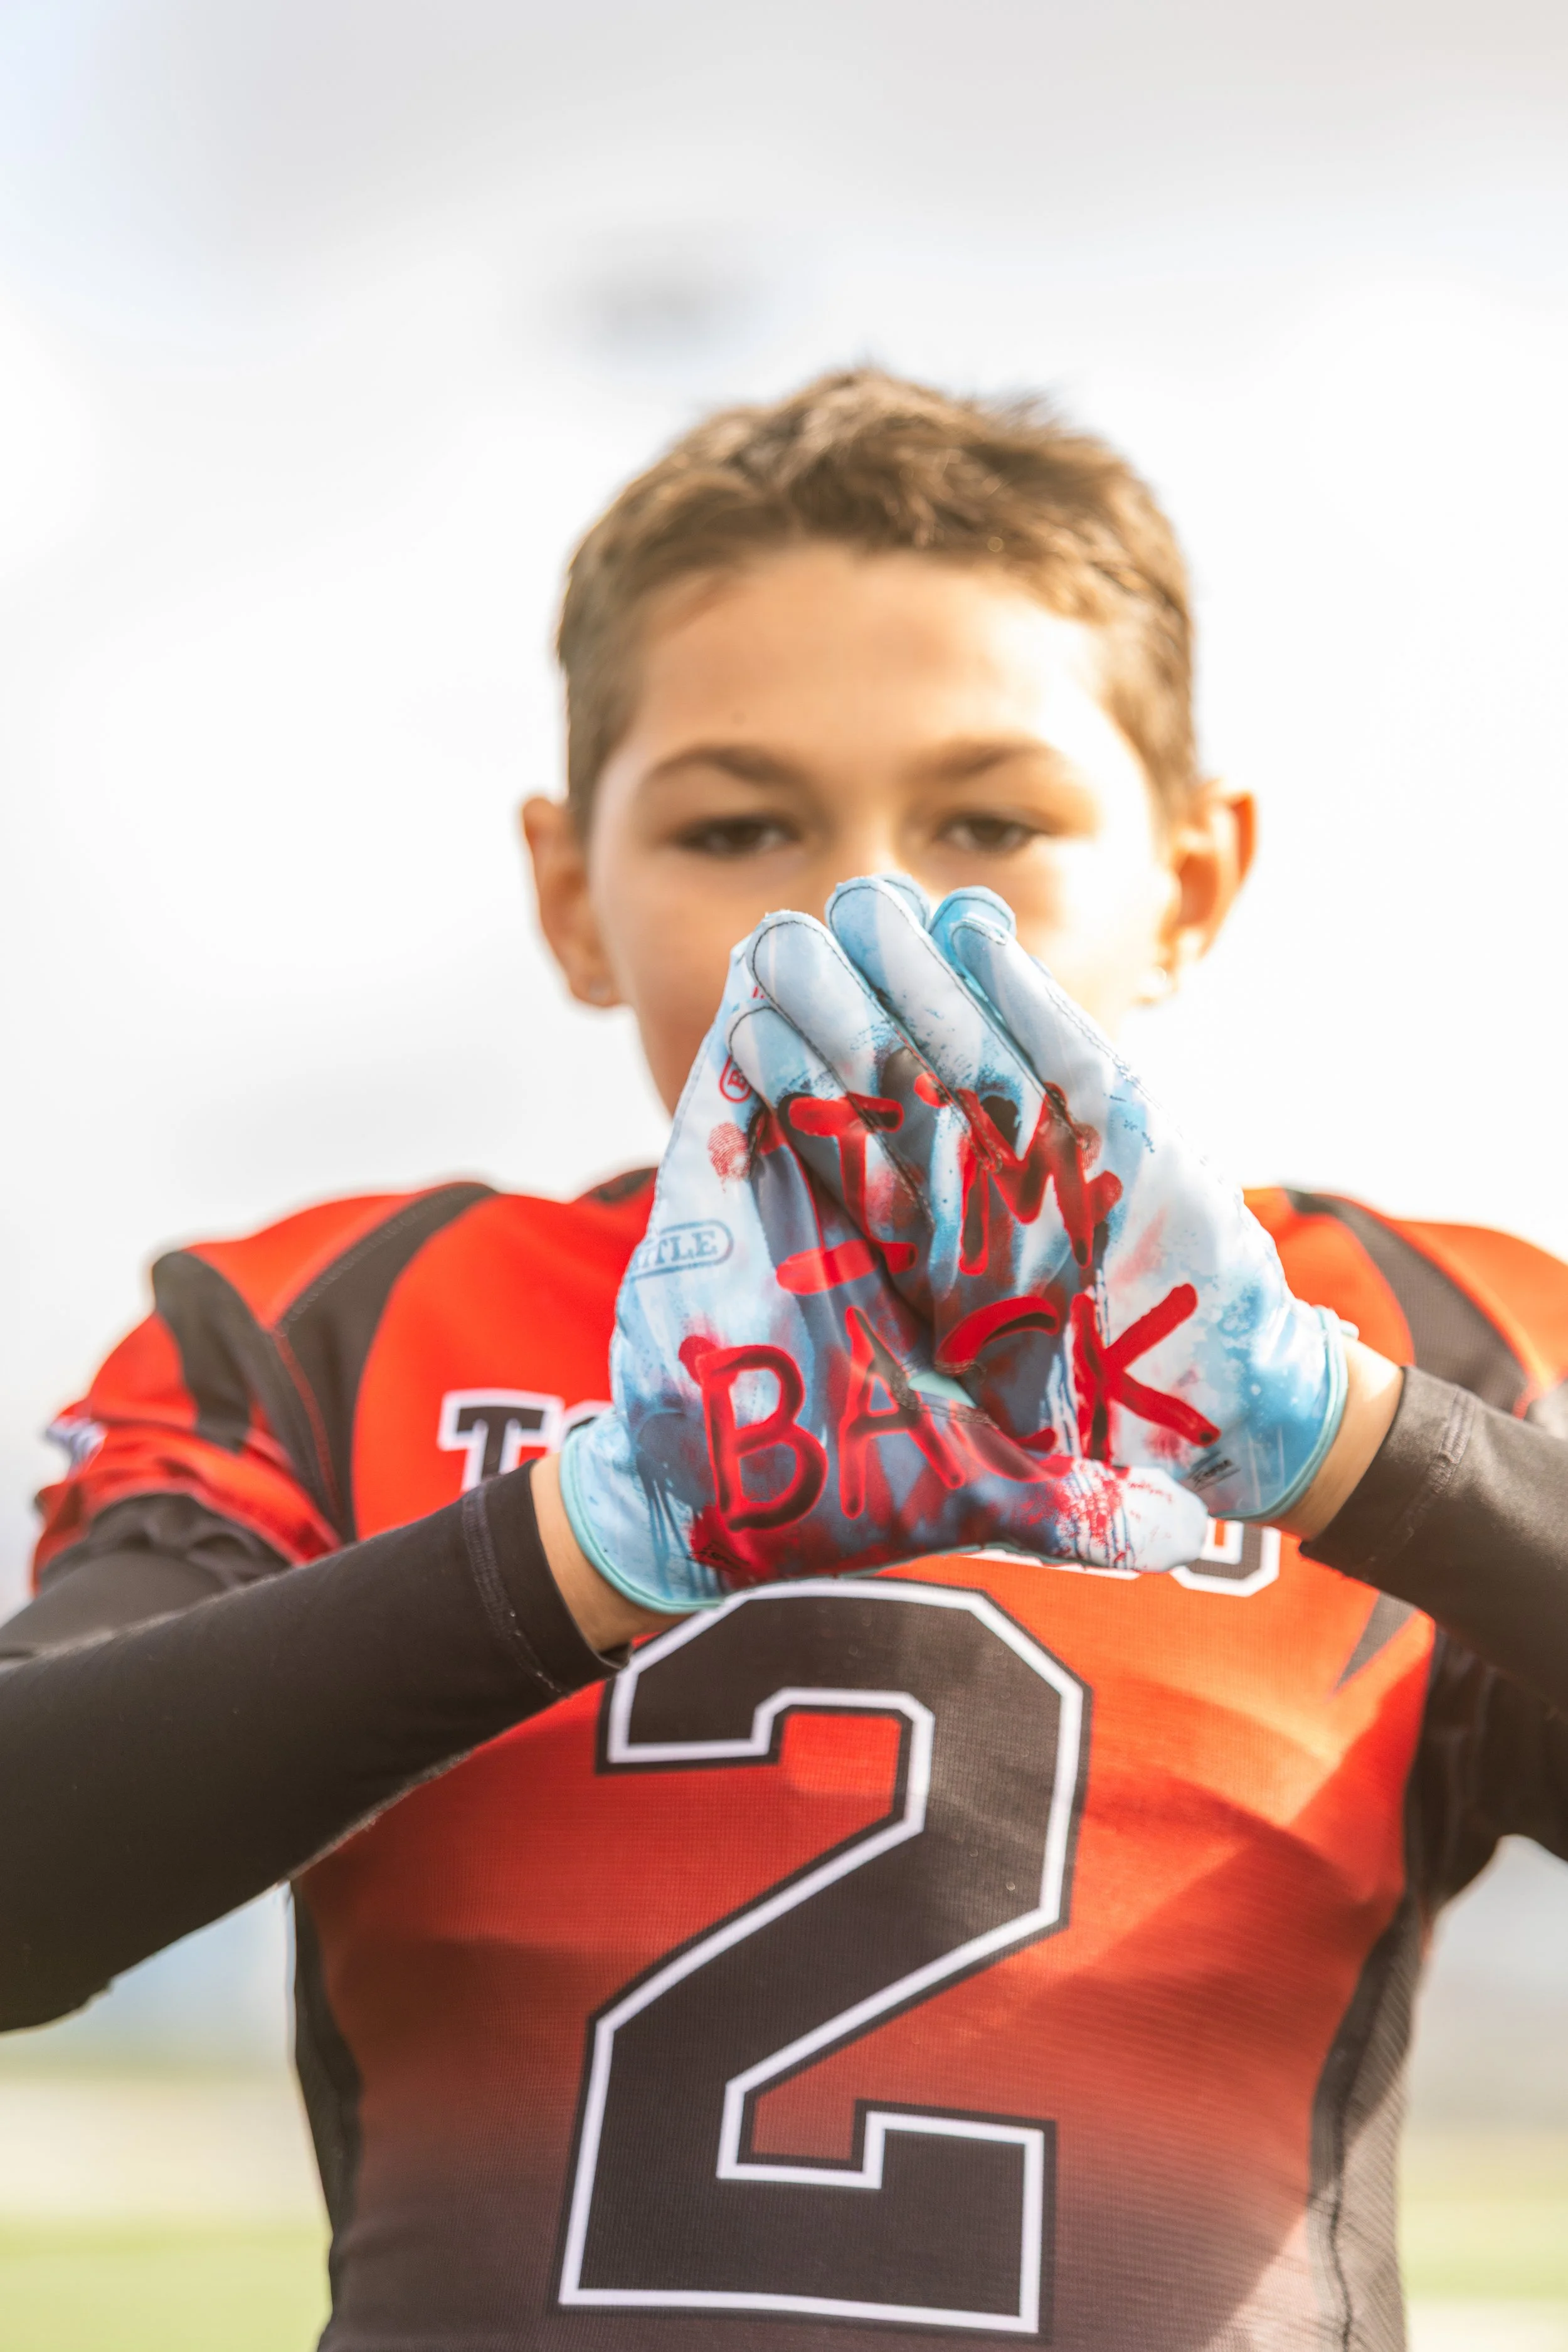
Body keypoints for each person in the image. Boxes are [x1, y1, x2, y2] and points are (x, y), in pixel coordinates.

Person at [3, 368, 1567, 2352]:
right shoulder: (341, 1323)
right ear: (573, 892)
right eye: (738, 822)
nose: (864, 911)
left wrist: (1351, 1440)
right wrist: (574, 1545)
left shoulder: (1428, 1341)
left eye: (990, 816)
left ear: (1191, 879)